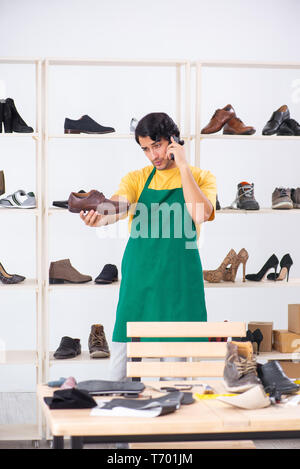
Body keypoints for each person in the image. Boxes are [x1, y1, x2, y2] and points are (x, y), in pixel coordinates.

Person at [80, 112, 217, 380]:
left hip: (177, 283)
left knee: (174, 378)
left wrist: (184, 167)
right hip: (139, 281)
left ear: (173, 140)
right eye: (145, 149)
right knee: (119, 373)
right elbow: (117, 207)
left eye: (157, 145)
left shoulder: (201, 178)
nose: (153, 155)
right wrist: (99, 219)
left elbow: (200, 214)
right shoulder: (137, 179)